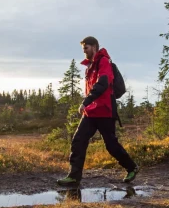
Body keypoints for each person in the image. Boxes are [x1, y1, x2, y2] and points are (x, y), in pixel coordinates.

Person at [57, 37, 139, 186]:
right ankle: (74, 176)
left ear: (94, 47)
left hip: (105, 111)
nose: (85, 52)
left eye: (86, 49)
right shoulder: (90, 66)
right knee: (78, 140)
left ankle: (131, 167)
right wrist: (88, 104)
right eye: (83, 50)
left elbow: (103, 83)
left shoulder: (104, 62)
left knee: (111, 145)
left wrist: (86, 102)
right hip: (91, 112)